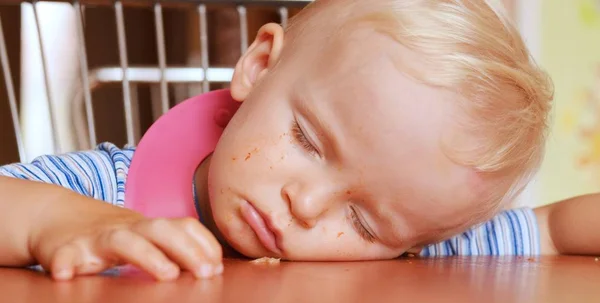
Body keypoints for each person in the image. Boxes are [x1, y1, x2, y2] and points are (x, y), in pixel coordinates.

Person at [2, 0, 589, 283]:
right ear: (259, 67)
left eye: (362, 223)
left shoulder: (411, 241)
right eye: (308, 140)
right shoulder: (109, 191)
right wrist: (64, 220)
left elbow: (555, 228)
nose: (305, 207)